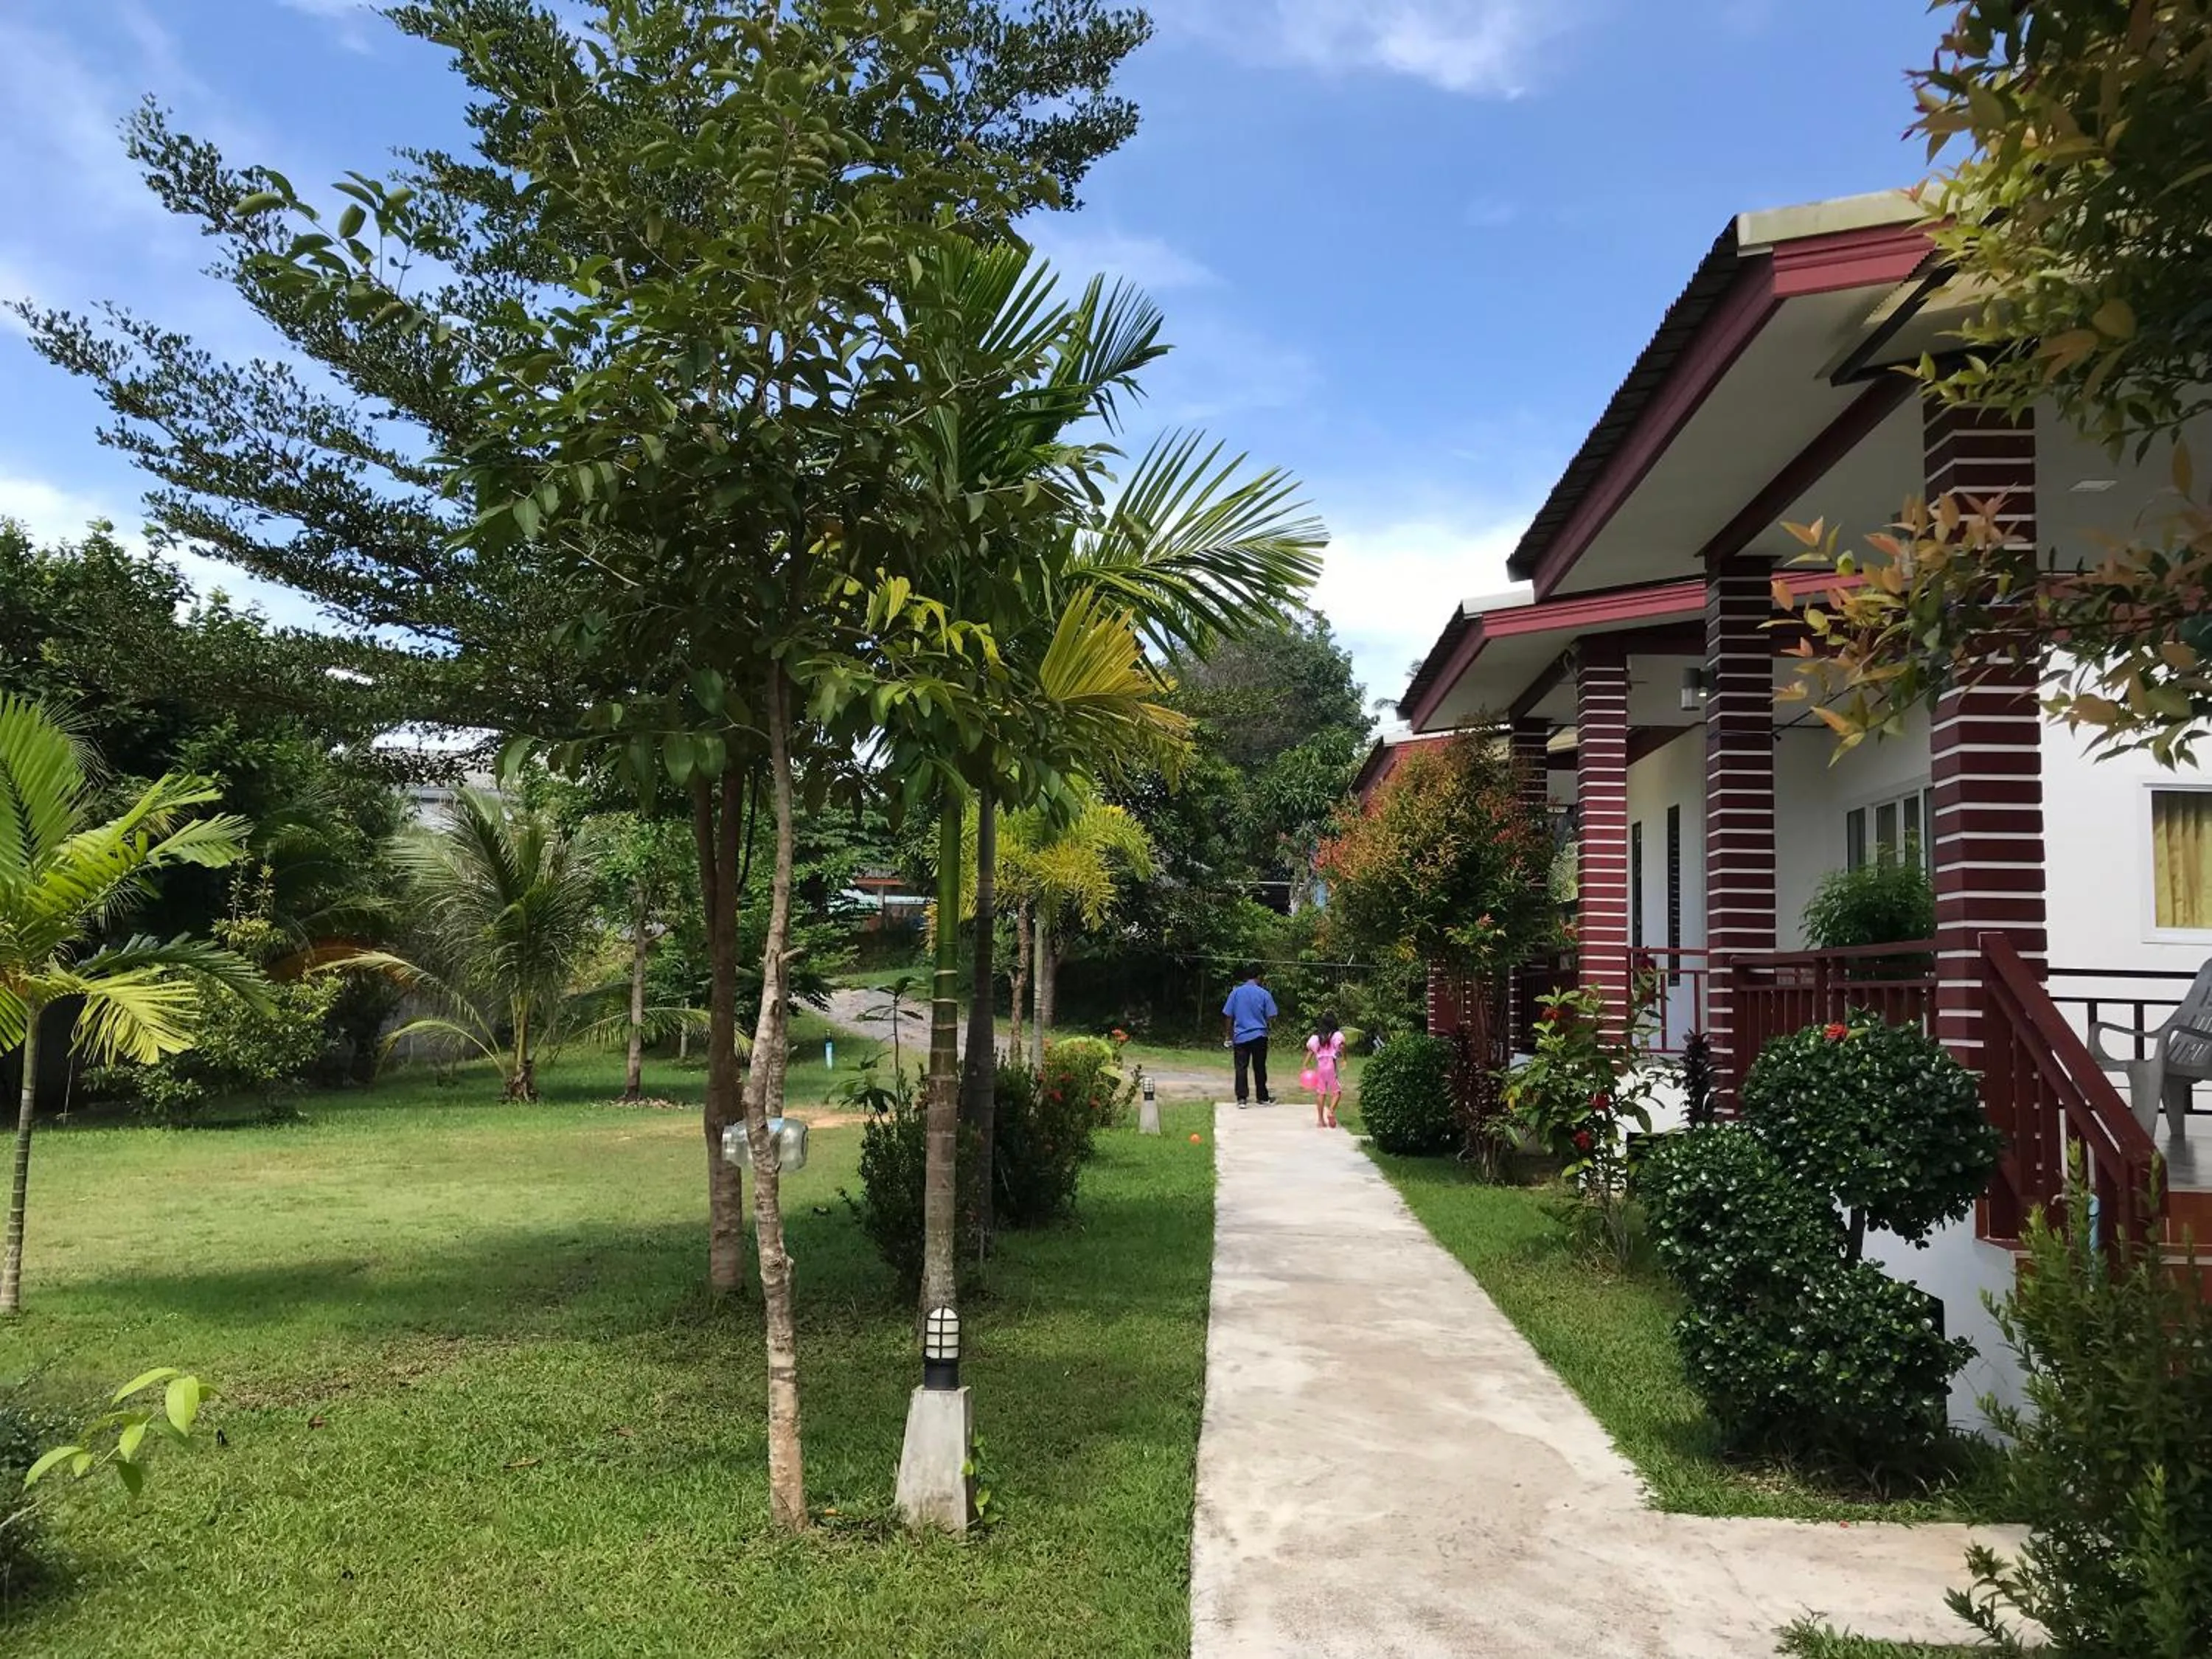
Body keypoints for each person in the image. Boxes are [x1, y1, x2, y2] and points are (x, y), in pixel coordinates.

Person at [1221, 965, 1279, 1107]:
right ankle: (1262, 1097)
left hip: (1240, 1036)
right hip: (1259, 1035)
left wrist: (1229, 1036)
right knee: (1259, 1066)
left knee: (1241, 1067)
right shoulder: (1264, 994)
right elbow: (1272, 1015)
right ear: (1258, 977)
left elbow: (1228, 1015)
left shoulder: (1236, 993)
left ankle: (1242, 1098)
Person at [1307, 1012, 1345, 1129]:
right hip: (1331, 1065)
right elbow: (1342, 1046)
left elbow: (1311, 1051)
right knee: (1337, 1092)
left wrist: (1305, 1065)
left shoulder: (1317, 1037)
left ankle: (1320, 1120)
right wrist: (1345, 1059)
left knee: (1321, 1092)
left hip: (1321, 1066)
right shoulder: (1336, 1035)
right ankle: (1331, 1111)